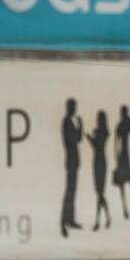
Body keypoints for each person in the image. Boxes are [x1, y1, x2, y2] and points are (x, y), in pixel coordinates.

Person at [59, 99, 83, 238]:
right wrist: (79, 126)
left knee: (72, 191)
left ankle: (70, 220)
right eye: (73, 107)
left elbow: (78, 139)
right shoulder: (67, 122)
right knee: (69, 191)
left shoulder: (70, 122)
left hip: (73, 161)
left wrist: (80, 126)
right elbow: (74, 139)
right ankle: (63, 222)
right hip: (71, 161)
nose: (75, 109)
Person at [86, 110, 111, 232]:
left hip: (99, 162)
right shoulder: (103, 132)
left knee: (100, 193)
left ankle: (101, 219)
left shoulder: (102, 132)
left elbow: (97, 146)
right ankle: (105, 218)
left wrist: (90, 138)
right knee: (100, 193)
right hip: (98, 162)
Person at [113, 106, 130, 219]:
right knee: (127, 183)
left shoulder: (123, 125)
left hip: (124, 156)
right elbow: (116, 144)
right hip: (123, 156)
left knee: (129, 183)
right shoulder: (122, 125)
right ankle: (127, 208)